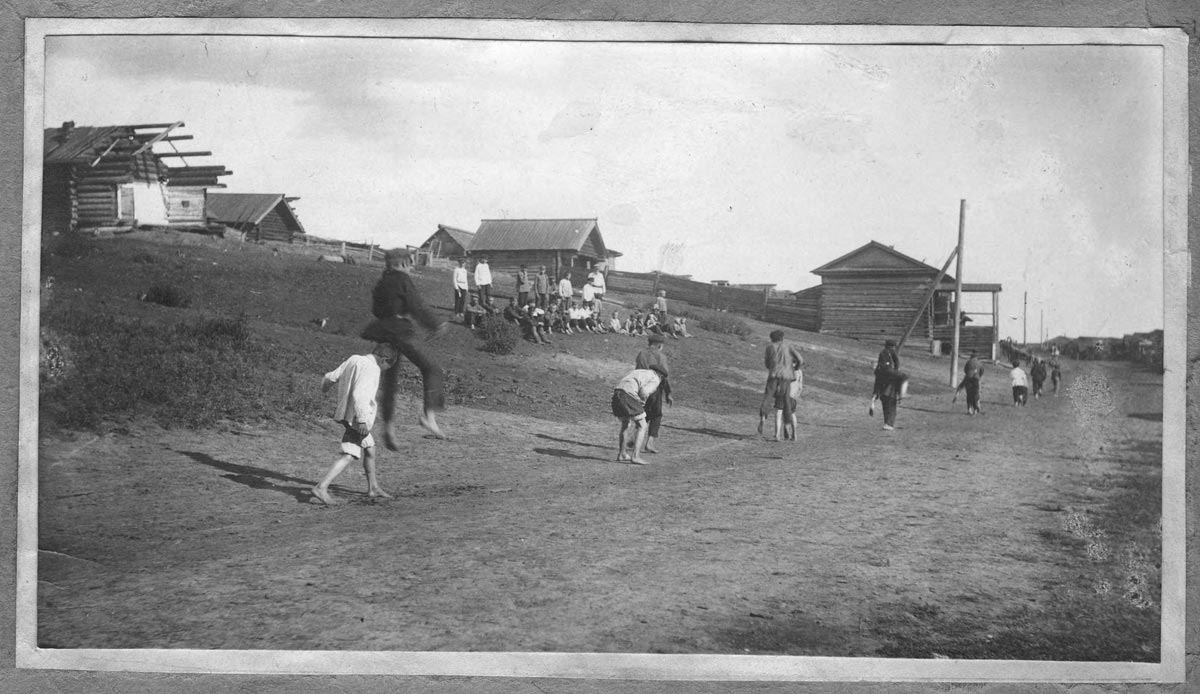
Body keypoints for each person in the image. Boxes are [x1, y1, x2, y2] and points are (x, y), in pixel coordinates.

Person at [360, 249, 448, 446]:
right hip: (400, 331)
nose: (411, 267)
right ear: (401, 264)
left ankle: (388, 428)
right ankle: (429, 417)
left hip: (382, 330)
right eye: (410, 263)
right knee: (432, 368)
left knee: (390, 380)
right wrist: (435, 324)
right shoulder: (402, 280)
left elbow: (376, 310)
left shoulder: (381, 282)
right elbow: (415, 306)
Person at [310, 343, 399, 506]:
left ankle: (373, 487)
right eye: (388, 366)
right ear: (384, 360)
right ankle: (321, 487)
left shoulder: (354, 359)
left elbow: (330, 377)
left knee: (370, 448)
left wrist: (325, 387)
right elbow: (360, 394)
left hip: (347, 415)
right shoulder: (373, 368)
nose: (386, 370)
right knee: (349, 454)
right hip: (357, 418)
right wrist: (363, 419)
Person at [611, 366, 665, 465]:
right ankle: (635, 456)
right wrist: (641, 403)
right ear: (661, 375)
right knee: (642, 425)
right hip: (628, 395)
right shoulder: (656, 378)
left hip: (617, 393)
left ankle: (622, 453)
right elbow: (644, 392)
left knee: (625, 423)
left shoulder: (638, 371)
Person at [759, 329, 804, 441]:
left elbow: (767, 363)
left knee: (768, 396)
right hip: (787, 376)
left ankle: (763, 415)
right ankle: (788, 425)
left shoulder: (769, 347)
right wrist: (796, 367)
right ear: (782, 338)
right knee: (786, 401)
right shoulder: (788, 346)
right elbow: (800, 359)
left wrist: (772, 368)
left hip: (774, 374)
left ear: (771, 338)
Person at [635, 333, 674, 453]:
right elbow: (664, 375)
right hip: (654, 387)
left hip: (640, 385)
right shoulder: (660, 356)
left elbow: (637, 369)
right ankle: (650, 442)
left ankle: (635, 438)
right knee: (656, 414)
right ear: (659, 345)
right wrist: (668, 393)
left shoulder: (641, 353)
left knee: (643, 413)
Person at [870, 339, 901, 414]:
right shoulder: (891, 352)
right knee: (896, 382)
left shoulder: (883, 352)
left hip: (879, 372)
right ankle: (898, 396)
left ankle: (873, 400)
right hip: (887, 372)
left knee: (877, 387)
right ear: (892, 346)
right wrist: (896, 370)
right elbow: (896, 361)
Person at [953, 350, 985, 415]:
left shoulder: (968, 362)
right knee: (976, 394)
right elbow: (982, 371)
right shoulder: (979, 363)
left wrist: (969, 374)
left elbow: (965, 370)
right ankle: (976, 409)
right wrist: (978, 376)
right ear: (977, 357)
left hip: (968, 378)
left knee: (969, 394)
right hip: (976, 378)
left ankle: (969, 409)